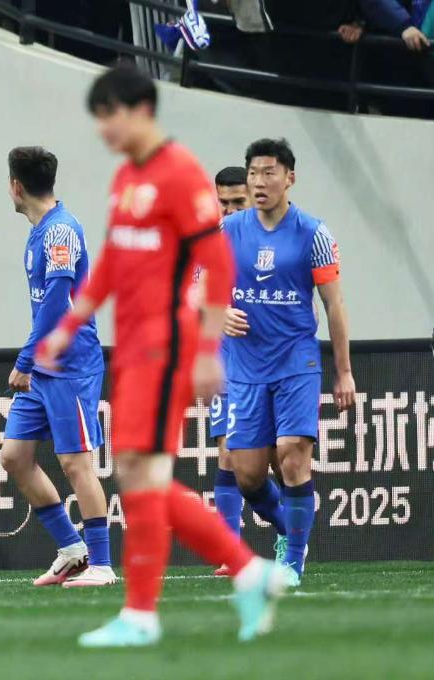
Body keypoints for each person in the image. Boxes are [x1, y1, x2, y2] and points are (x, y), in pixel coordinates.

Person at [37, 65, 285, 647]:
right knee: (139, 477)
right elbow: (112, 265)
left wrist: (206, 350)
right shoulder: (126, 178)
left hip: (167, 347)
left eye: (109, 117)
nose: (103, 130)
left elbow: (217, 264)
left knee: (142, 476)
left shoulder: (181, 174)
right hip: (133, 349)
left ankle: (187, 594)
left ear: (141, 110)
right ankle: (220, 583)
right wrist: (67, 326)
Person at [222, 138, 355, 587]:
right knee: (247, 474)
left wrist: (344, 372)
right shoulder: (227, 231)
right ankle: (289, 530)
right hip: (245, 366)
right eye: (253, 173)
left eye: (269, 173)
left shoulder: (314, 234)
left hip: (296, 360)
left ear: (289, 178)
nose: (259, 182)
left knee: (293, 456)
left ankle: (292, 563)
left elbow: (334, 305)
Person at [1, 146, 116, 589]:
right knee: (15, 457)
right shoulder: (41, 231)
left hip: (70, 365)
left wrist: (26, 359)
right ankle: (72, 549)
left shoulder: (61, 230)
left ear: (16, 186)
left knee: (75, 463)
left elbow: (57, 301)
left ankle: (102, 565)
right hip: (44, 368)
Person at [210, 166, 253, 577]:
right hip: (225, 362)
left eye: (237, 202)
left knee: (276, 459)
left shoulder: (277, 239)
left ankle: (291, 537)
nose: (229, 210)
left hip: (272, 364)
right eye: (223, 202)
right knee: (228, 452)